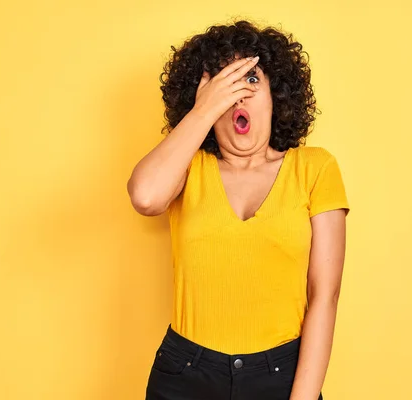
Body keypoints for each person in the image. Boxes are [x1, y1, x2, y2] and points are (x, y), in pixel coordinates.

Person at [127, 19, 349, 400]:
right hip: (185, 372)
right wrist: (203, 111)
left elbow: (323, 295)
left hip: (282, 374)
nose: (237, 97)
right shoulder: (188, 168)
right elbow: (145, 197)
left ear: (276, 94)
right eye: (222, 84)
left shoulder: (314, 168)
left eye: (250, 80)